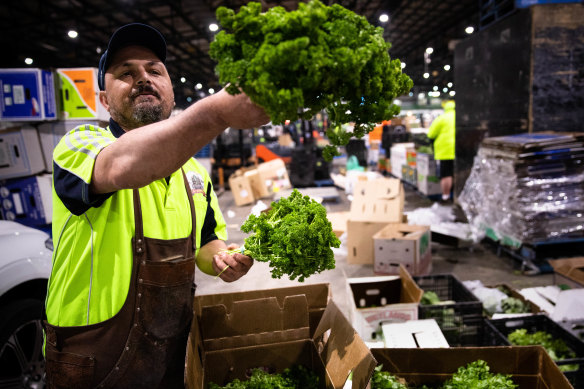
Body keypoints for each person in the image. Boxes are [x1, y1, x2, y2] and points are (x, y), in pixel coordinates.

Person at [43, 23, 269, 389]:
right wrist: (218, 113)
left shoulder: (194, 172)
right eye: (125, 73)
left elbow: (207, 241)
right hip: (88, 357)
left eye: (154, 70)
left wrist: (221, 259)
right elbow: (120, 166)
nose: (143, 79)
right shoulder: (79, 144)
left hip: (170, 355)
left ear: (171, 91)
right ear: (104, 99)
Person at [427, 100, 455, 202]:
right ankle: (456, 195)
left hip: (445, 151)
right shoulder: (460, 117)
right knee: (456, 172)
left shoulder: (442, 118)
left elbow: (431, 134)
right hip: (460, 150)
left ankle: (446, 196)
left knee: (446, 174)